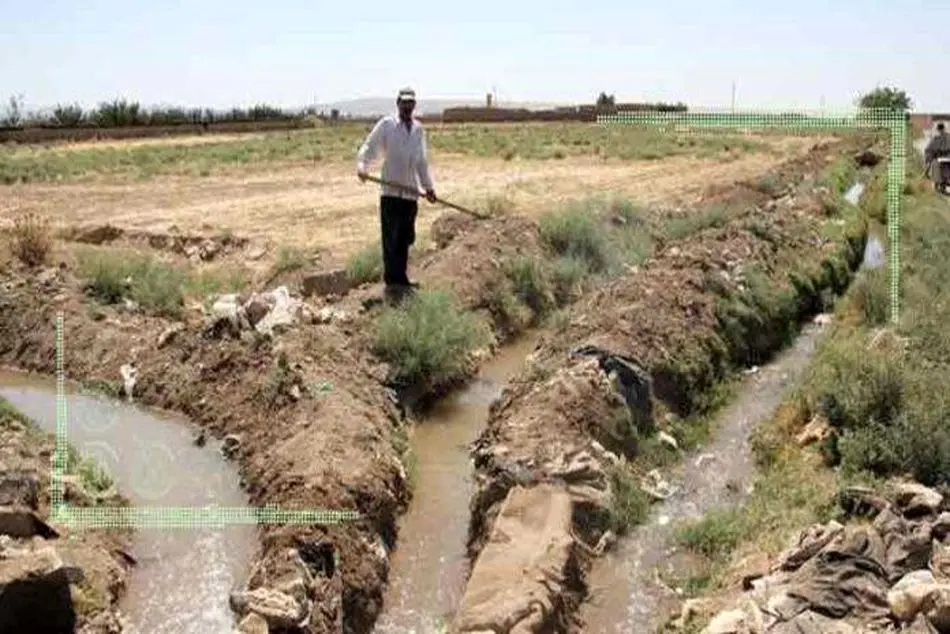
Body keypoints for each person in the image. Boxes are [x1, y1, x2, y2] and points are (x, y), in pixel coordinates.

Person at [356, 87, 437, 304]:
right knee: (391, 238)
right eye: (404, 103)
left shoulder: (418, 130)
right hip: (391, 193)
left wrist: (428, 187)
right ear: (398, 103)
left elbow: (421, 162)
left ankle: (401, 278)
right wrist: (362, 166)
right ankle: (393, 283)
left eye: (411, 103)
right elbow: (370, 146)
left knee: (406, 237)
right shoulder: (387, 125)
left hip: (410, 193)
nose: (407, 107)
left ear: (414, 105)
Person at [925, 121, 950, 192]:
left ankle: (939, 185)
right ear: (944, 128)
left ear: (938, 129)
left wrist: (928, 159)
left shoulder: (936, 138)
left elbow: (929, 149)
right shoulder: (947, 137)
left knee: (937, 168)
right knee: (942, 169)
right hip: (946, 158)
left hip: (941, 158)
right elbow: (929, 149)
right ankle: (942, 185)